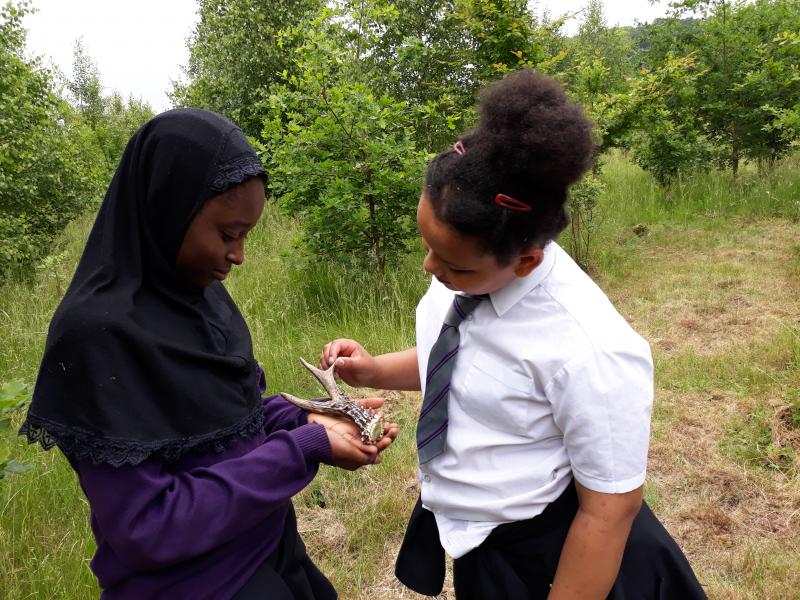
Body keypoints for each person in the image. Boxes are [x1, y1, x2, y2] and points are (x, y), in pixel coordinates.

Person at [320, 70, 706, 599]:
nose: (431, 268)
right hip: (484, 546)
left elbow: (609, 510)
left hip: (556, 559)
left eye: (452, 264)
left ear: (525, 260)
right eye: (426, 245)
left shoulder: (590, 349)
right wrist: (374, 368)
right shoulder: (468, 270)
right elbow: (456, 360)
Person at [19, 108, 397, 600]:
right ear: (167, 208)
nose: (238, 255)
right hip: (201, 583)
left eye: (245, 236)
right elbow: (149, 526)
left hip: (265, 542)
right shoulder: (98, 338)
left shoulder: (200, 298)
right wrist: (303, 448)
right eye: (227, 234)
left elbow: (226, 426)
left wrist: (310, 418)